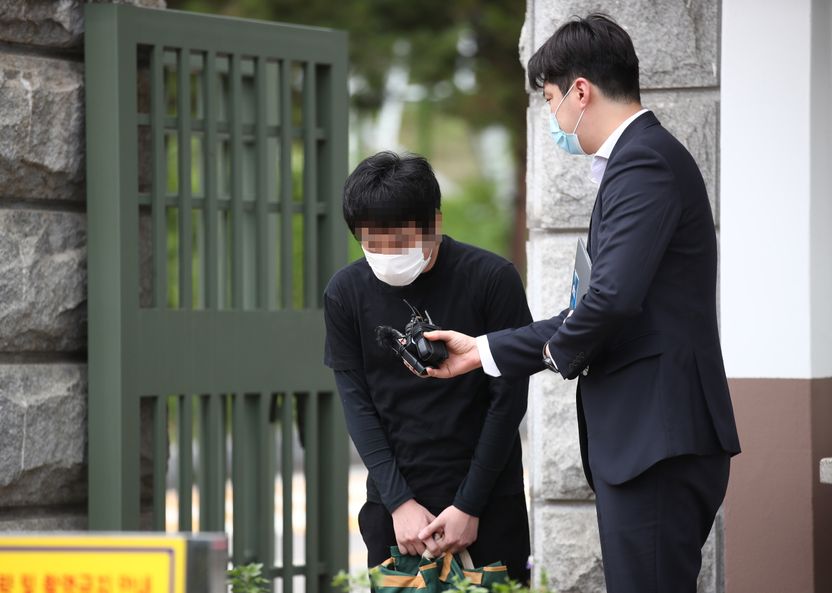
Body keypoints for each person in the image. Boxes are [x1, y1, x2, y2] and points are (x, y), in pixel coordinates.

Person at [417, 14, 741, 593]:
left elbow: (609, 300)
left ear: (581, 92)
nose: (553, 117)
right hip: (652, 438)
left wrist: (544, 353)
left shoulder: (642, 162)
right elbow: (599, 304)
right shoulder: (640, 160)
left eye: (550, 99)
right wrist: (482, 351)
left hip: (657, 440)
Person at [323, 151, 533, 583]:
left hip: (488, 503)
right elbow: (356, 403)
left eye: (399, 241)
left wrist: (469, 505)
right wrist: (399, 503)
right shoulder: (345, 292)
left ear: (434, 223)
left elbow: (508, 401)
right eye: (372, 244)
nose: (387, 255)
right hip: (394, 514)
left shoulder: (491, 279)